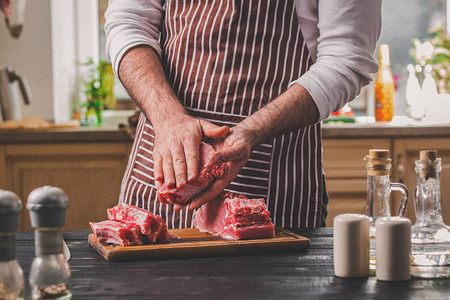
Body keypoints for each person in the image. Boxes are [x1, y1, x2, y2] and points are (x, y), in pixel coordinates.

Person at [105, 0, 382, 229]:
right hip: (163, 159)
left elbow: (346, 58)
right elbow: (128, 22)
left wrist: (252, 131)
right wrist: (168, 119)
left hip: (274, 174)